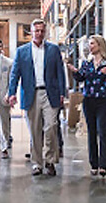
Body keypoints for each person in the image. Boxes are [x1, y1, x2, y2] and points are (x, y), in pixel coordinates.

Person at [8, 19, 66, 176]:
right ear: (31, 32)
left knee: (51, 126)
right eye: (36, 31)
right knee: (34, 131)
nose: (39, 33)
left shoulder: (53, 50)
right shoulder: (22, 51)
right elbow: (15, 74)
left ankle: (50, 161)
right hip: (30, 93)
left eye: (42, 30)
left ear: (45, 32)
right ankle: (37, 164)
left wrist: (63, 93)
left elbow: (60, 73)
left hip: (50, 93)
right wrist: (11, 92)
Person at [67, 35, 106, 177]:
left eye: (92, 44)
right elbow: (81, 78)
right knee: (91, 132)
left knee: (103, 132)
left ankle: (103, 165)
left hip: (104, 100)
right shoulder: (86, 64)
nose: (90, 47)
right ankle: (93, 164)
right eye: (89, 44)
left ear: (100, 45)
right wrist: (74, 72)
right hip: (89, 101)